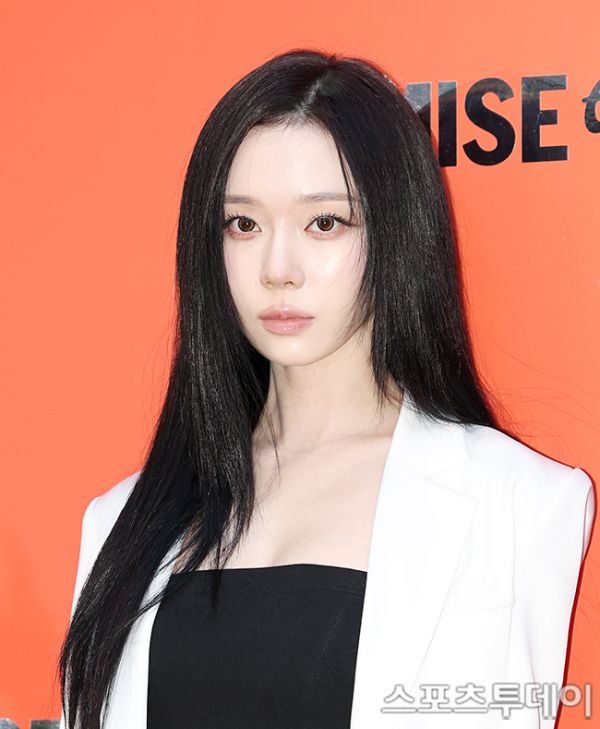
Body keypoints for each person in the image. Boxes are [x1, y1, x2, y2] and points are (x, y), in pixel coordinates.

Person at [56, 49, 595, 729]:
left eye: (325, 223)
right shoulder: (120, 521)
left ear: (397, 232)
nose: (278, 268)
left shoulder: (518, 504)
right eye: (243, 224)